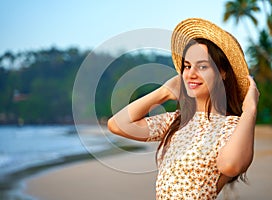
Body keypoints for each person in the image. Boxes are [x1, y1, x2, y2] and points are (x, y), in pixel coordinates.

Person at [107, 18, 259, 199]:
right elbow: (117, 124)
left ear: (223, 73)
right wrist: (163, 92)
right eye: (187, 66)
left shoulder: (231, 125)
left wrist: (250, 110)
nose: (191, 74)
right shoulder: (176, 121)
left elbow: (231, 165)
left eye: (202, 66)